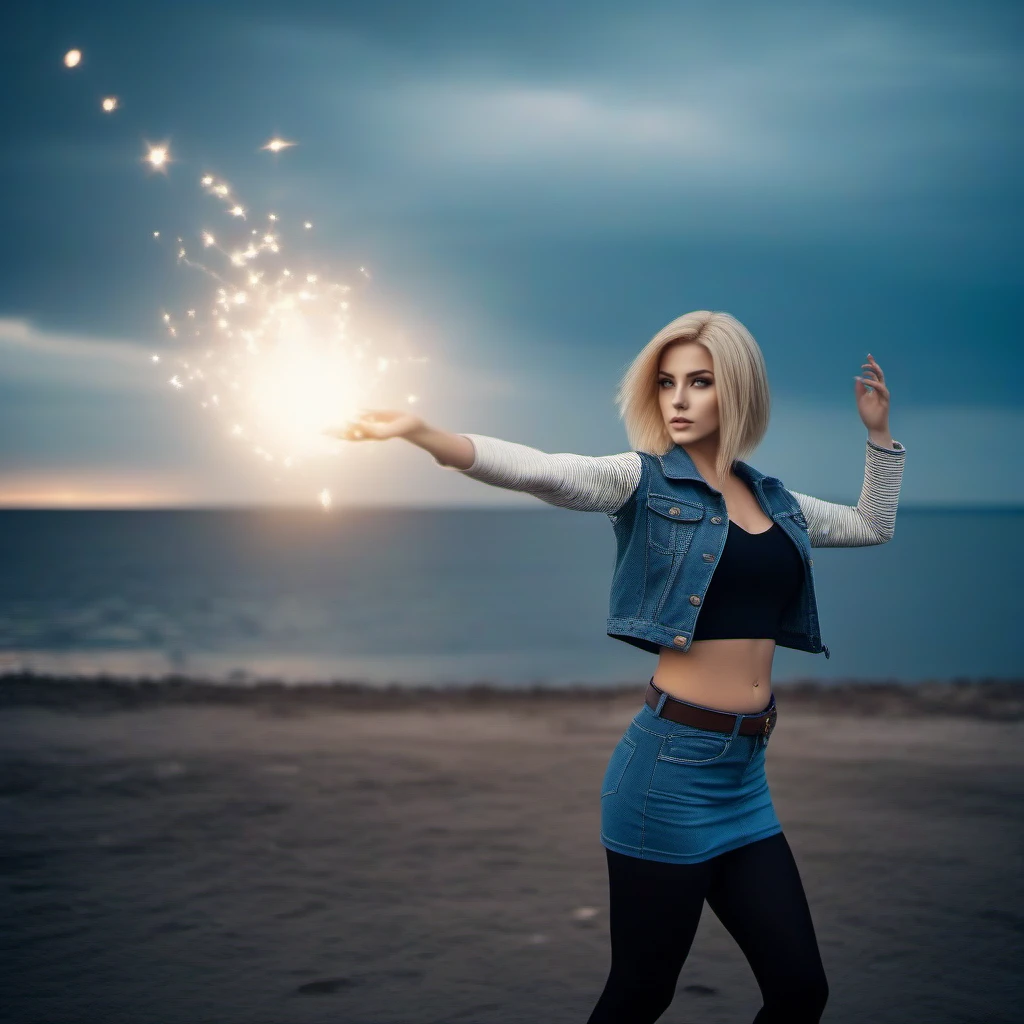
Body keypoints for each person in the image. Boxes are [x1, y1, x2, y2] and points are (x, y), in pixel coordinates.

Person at [326, 310, 907, 1024]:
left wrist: (879, 438)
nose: (679, 400)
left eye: (700, 382)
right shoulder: (642, 483)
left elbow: (872, 525)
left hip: (745, 780)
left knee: (799, 992)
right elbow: (546, 472)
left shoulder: (776, 502)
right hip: (667, 773)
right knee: (640, 993)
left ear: (738, 392)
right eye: (667, 384)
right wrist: (424, 434)